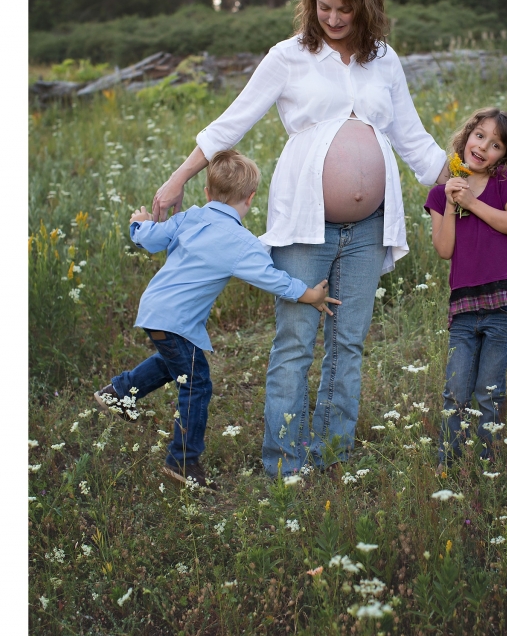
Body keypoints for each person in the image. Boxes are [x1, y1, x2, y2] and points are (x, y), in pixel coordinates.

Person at [152, 0, 448, 478]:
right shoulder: (288, 56)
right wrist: (179, 178)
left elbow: (415, 139)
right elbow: (232, 121)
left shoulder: (385, 60)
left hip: (370, 227)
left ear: (366, 7)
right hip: (305, 222)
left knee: (349, 343)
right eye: (323, 7)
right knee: (295, 341)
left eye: (345, 10)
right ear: (311, 3)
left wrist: (466, 184)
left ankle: (332, 457)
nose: (332, 19)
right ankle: (285, 463)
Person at [94, 150, 338, 489]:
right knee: (196, 382)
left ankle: (119, 392)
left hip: (157, 309)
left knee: (175, 363)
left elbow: (149, 239)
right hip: (175, 318)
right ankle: (183, 458)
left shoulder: (188, 218)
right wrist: (309, 294)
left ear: (207, 193)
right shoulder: (240, 242)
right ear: (251, 198)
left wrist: (139, 223)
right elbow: (272, 278)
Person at [424, 108, 507, 466]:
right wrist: (454, 198)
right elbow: (444, 250)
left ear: (504, 155)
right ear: (466, 136)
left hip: (506, 304)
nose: (484, 146)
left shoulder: (502, 182)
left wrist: (472, 202)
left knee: (487, 392)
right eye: (480, 136)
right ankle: (449, 465)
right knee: (455, 392)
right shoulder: (441, 194)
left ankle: (486, 466)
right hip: (465, 309)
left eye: (496, 144)